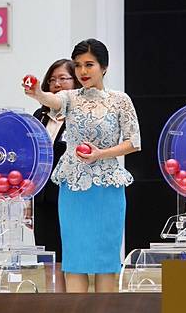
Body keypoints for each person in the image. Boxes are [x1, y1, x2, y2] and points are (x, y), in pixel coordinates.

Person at [24, 39, 141, 292]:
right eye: (78, 65)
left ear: (104, 67)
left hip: (107, 186)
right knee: (74, 260)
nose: (83, 71)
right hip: (73, 187)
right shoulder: (69, 97)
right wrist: (37, 93)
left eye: (89, 65)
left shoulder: (120, 100)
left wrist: (102, 154)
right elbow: (51, 99)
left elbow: (133, 142)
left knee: (106, 262)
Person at [31, 59, 81, 292]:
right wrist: (28, 199)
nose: (57, 84)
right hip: (42, 196)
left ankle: (74, 304)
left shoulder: (80, 115)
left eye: (63, 78)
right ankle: (54, 304)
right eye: (52, 80)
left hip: (71, 195)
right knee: (50, 259)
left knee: (72, 258)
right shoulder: (40, 115)